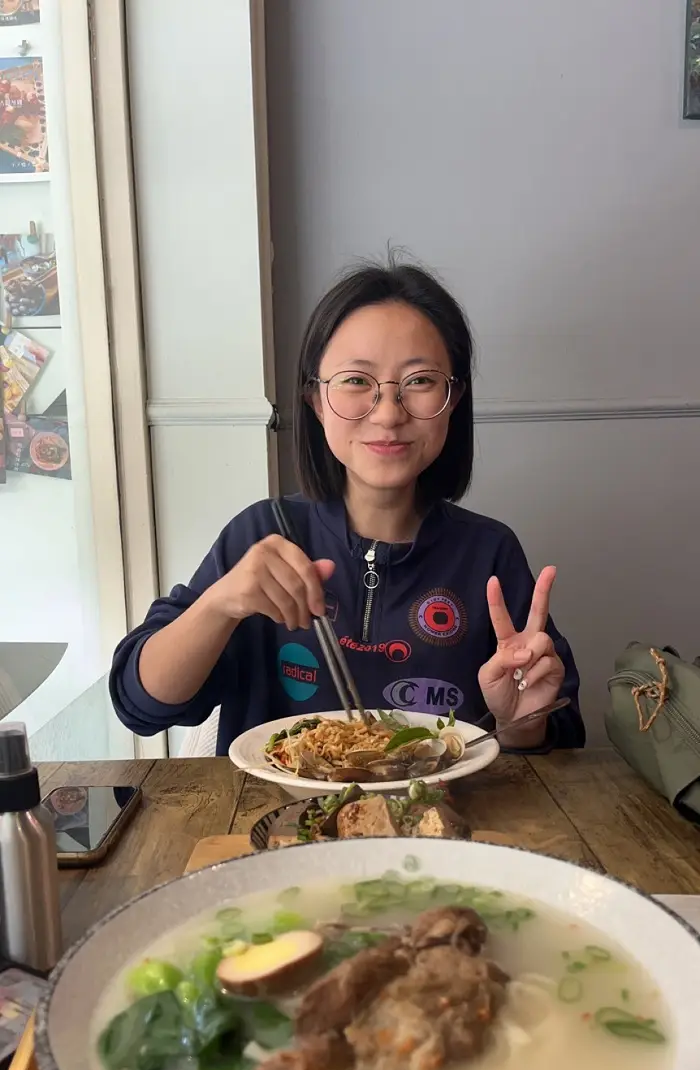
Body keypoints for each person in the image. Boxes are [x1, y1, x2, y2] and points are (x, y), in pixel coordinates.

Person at [110, 258, 584, 754]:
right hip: (279, 806)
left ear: (454, 398)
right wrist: (220, 604)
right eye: (356, 380)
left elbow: (561, 735)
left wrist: (521, 722)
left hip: (438, 805)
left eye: (419, 381)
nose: (388, 413)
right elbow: (141, 704)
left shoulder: (488, 553)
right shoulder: (264, 533)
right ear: (316, 401)